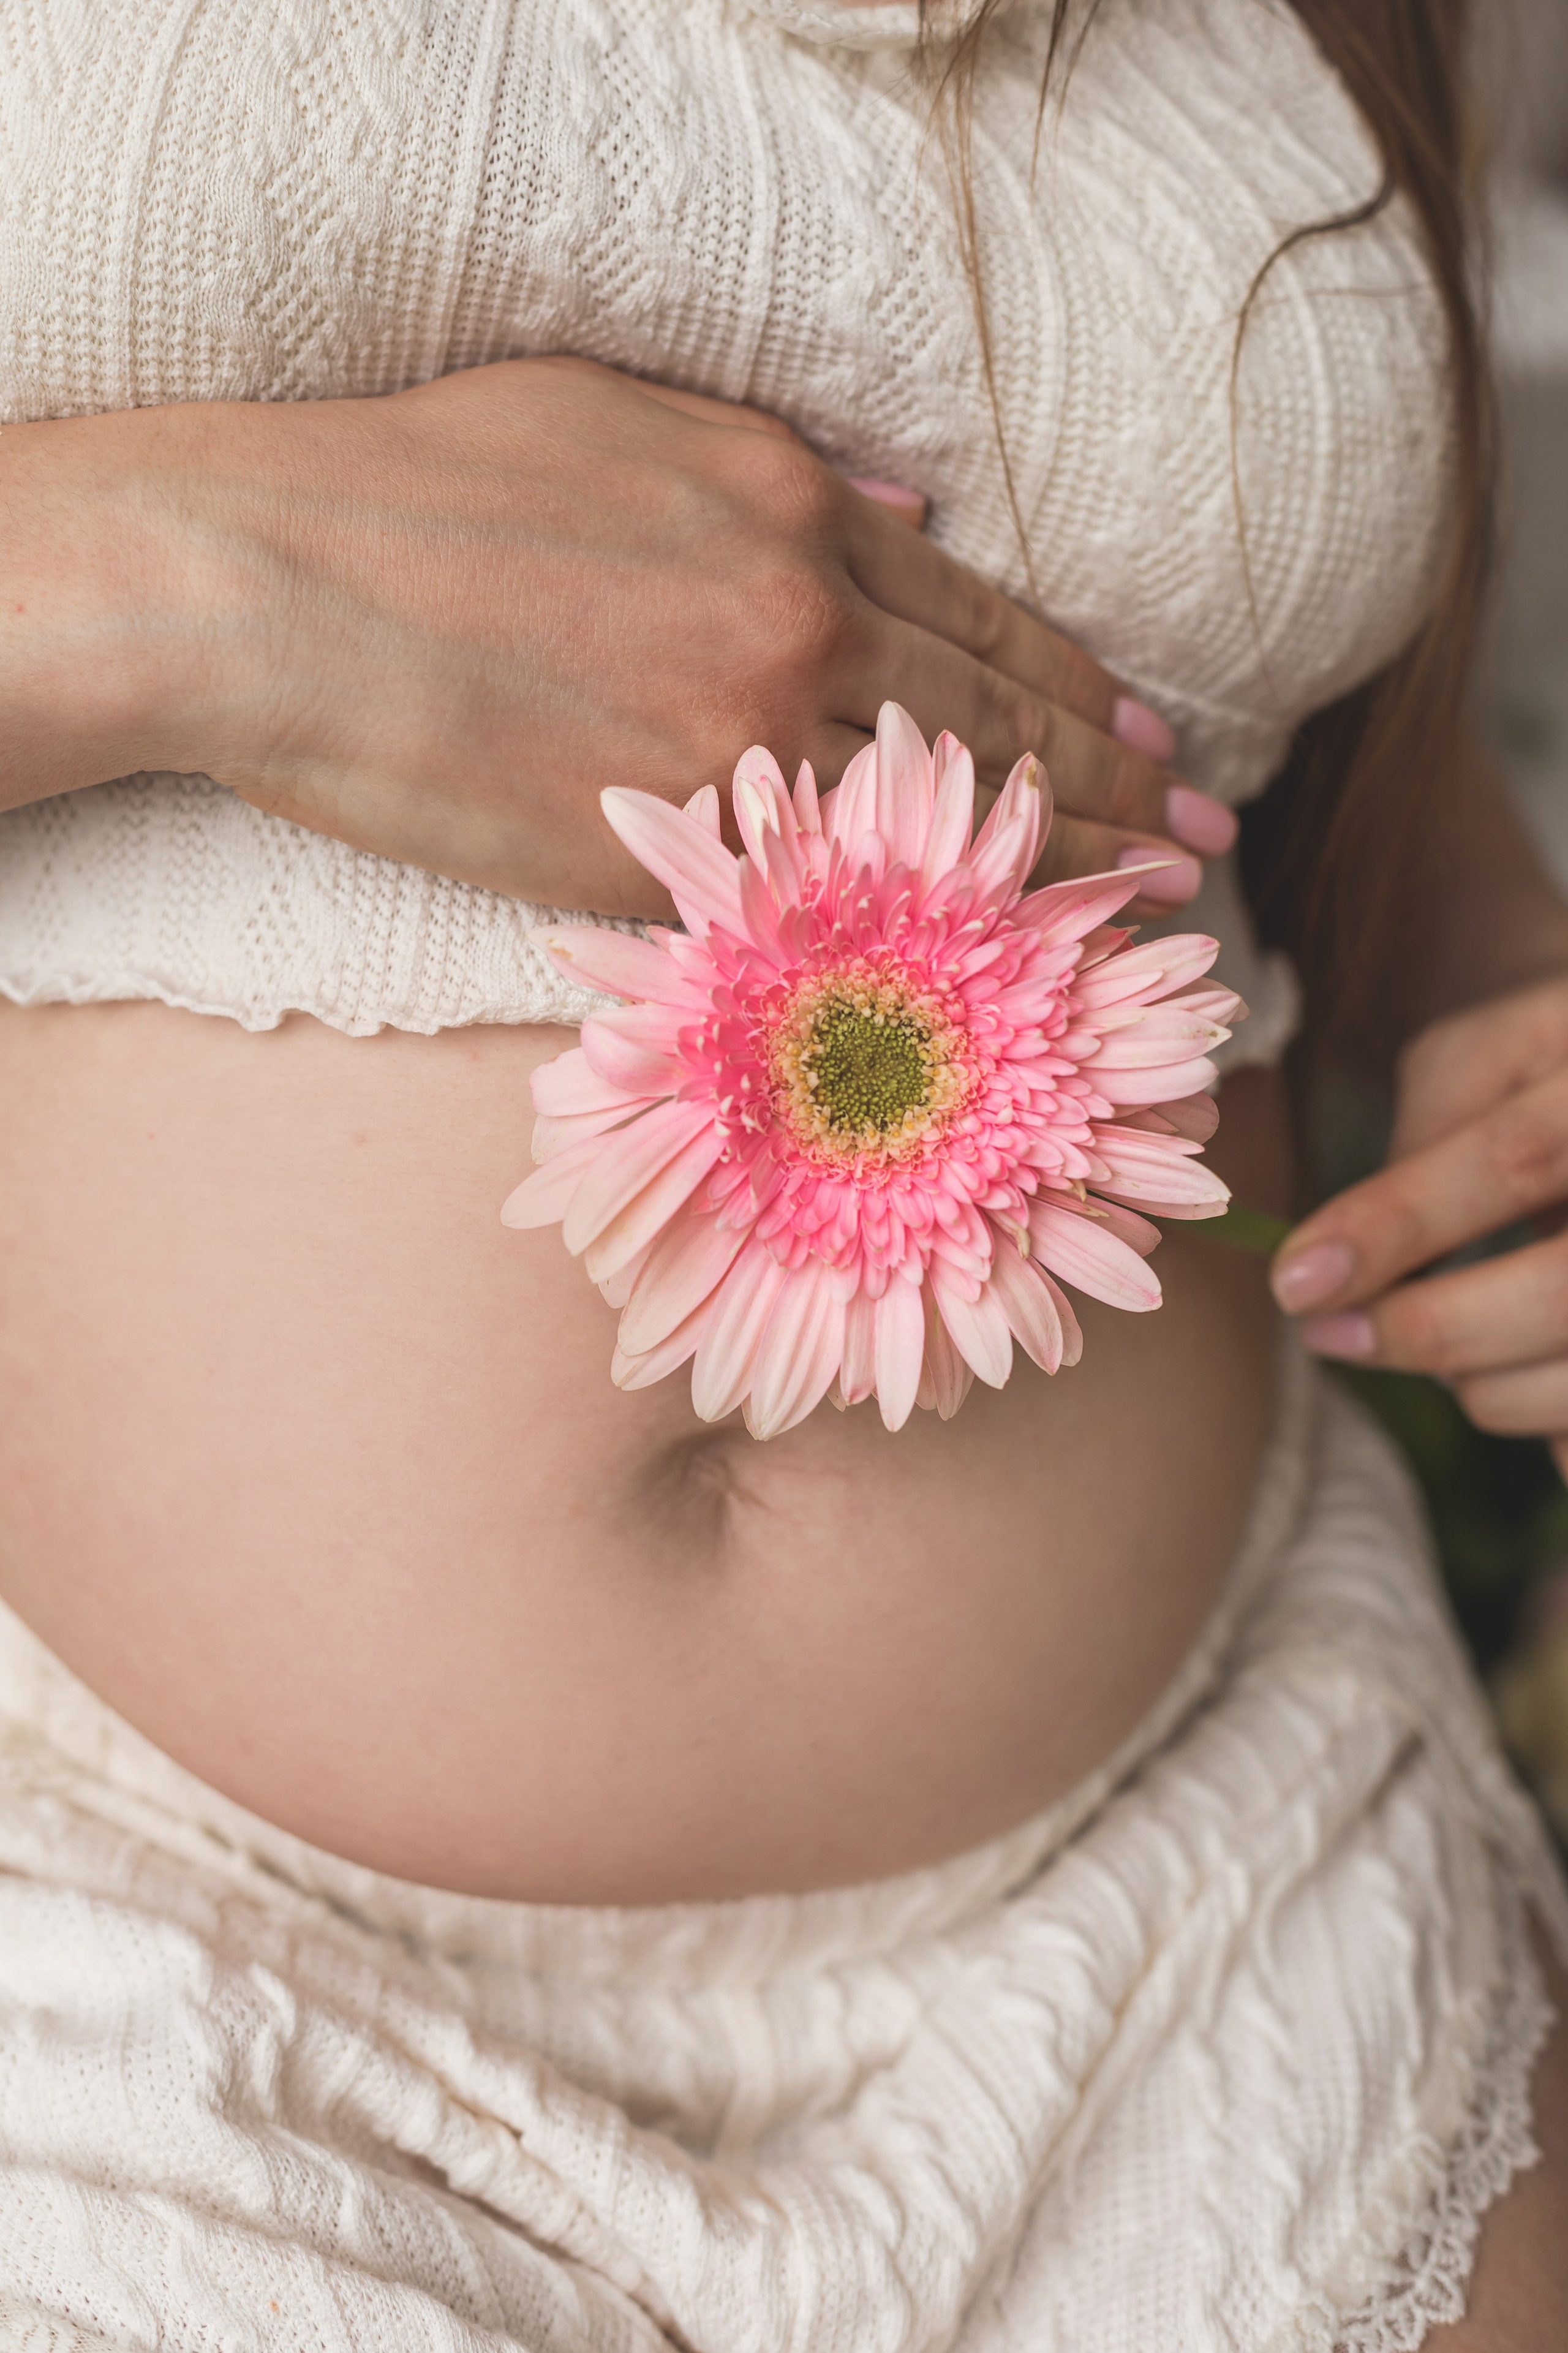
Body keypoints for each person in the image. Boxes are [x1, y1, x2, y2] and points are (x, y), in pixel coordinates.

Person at [0, 0, 1564, 2344]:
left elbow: (1288, 686)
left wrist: (1502, 983)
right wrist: (211, 582)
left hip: (1218, 1906)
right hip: (130, 1949)